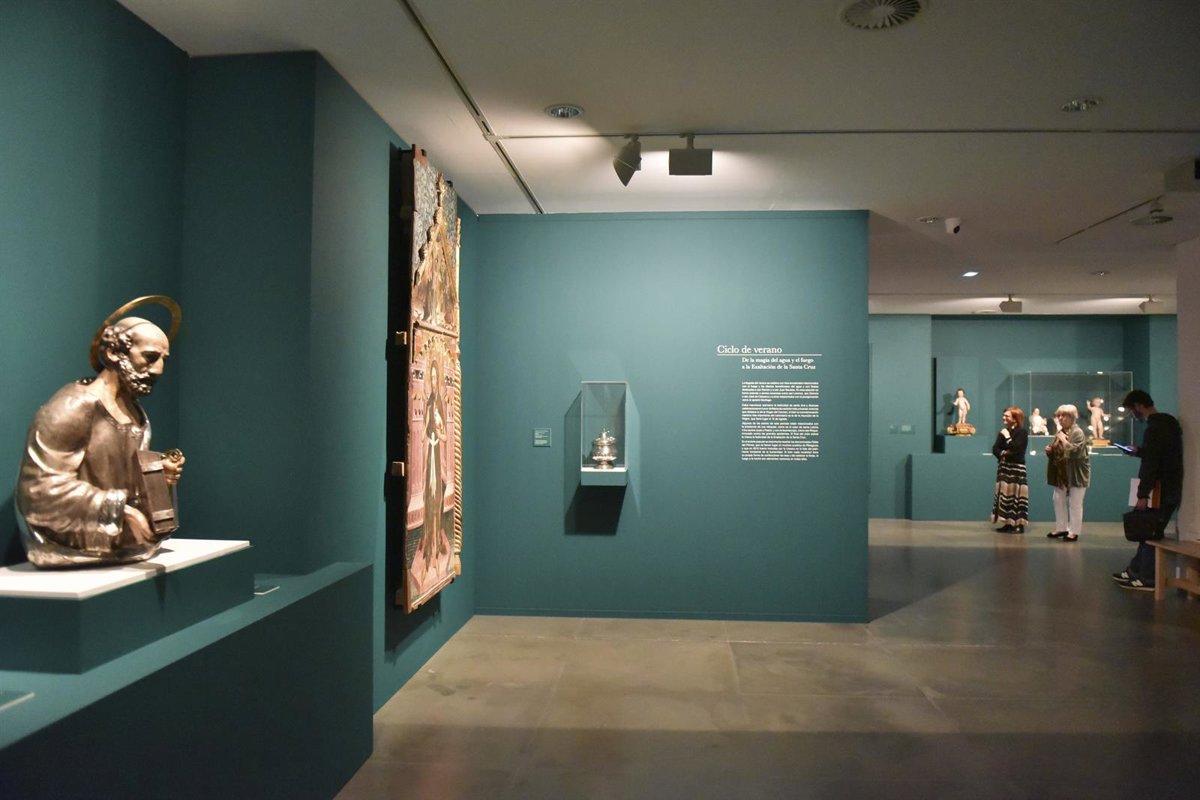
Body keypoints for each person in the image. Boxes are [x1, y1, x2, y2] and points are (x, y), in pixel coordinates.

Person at [15, 301, 185, 568]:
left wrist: (157, 475)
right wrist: (121, 511)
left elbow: (119, 474)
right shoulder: (72, 406)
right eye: (150, 357)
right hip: (75, 544)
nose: (158, 370)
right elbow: (38, 493)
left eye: (164, 360)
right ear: (114, 352)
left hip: (127, 546)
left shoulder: (134, 411)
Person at [1113, 390, 1184, 591]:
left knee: (1150, 533)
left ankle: (1148, 578)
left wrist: (1142, 494)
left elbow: (1151, 464)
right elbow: (1159, 455)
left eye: (1131, 410)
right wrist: (1139, 451)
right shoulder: (1168, 424)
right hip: (1169, 485)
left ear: (1138, 405)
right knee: (1149, 531)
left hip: (1160, 488)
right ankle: (1136, 571)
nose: (1132, 414)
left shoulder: (1154, 429)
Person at [1045, 404, 1090, 542]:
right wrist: (1050, 451)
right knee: (1058, 500)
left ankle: (1074, 531)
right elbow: (1058, 451)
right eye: (1059, 415)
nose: (1060, 418)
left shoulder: (1077, 432)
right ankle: (1061, 528)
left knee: (1075, 503)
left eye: (1064, 415)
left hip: (1076, 474)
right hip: (1062, 474)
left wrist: (1063, 439)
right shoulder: (1061, 432)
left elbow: (1075, 452)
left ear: (1072, 417)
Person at [992, 407, 1029, 533]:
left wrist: (1007, 438)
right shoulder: (1003, 432)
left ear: (1015, 418)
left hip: (1016, 468)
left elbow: (1016, 448)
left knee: (1016, 496)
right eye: (1004, 415)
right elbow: (995, 448)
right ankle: (1008, 523)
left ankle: (1018, 525)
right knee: (1005, 495)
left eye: (1007, 416)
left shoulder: (1022, 432)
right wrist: (1004, 452)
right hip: (1005, 467)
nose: (1004, 418)